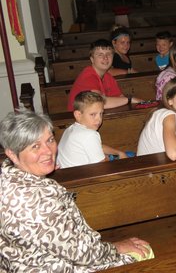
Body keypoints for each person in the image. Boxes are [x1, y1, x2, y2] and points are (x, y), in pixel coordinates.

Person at [0, 111, 151, 271]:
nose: (48, 151)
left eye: (50, 140)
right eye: (35, 146)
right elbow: (81, 253)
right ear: (12, 154)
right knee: (145, 255)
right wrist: (117, 248)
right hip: (58, 267)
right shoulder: (31, 199)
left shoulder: (10, 177)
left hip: (35, 261)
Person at [58, 91, 129, 168]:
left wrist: (118, 152)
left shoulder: (71, 129)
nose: (99, 119)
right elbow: (102, 167)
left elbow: (98, 146)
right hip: (81, 178)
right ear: (78, 115)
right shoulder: (89, 135)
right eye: (93, 114)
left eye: (101, 113)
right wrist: (107, 158)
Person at [67, 39, 143, 111]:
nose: (105, 58)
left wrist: (142, 103)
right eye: (100, 55)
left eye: (109, 54)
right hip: (79, 122)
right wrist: (129, 99)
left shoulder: (107, 76)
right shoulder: (88, 76)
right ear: (92, 59)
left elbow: (119, 97)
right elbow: (99, 102)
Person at [138, 78, 176, 161]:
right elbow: (173, 154)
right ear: (170, 101)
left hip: (148, 164)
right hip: (149, 170)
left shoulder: (160, 112)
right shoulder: (169, 116)